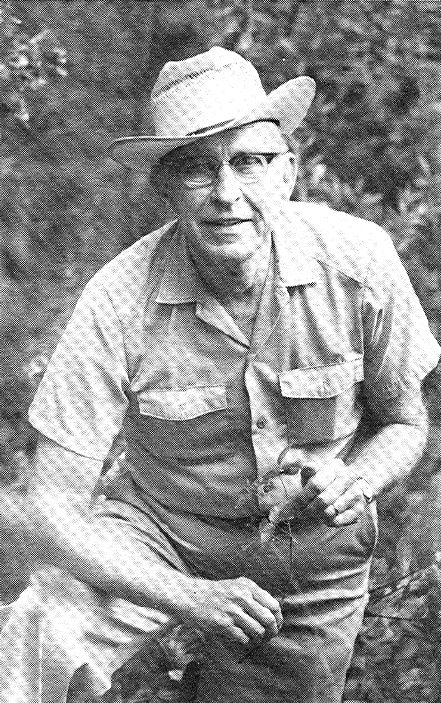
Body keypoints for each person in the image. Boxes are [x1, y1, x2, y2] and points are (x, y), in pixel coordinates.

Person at [0, 46, 439, 703]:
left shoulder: (358, 260)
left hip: (307, 551)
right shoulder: (119, 298)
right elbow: (51, 513)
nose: (227, 194)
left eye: (248, 161)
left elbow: (406, 422)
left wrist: (358, 479)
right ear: (164, 187)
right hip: (160, 534)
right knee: (35, 631)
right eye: (197, 169)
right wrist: (187, 594)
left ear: (286, 169)